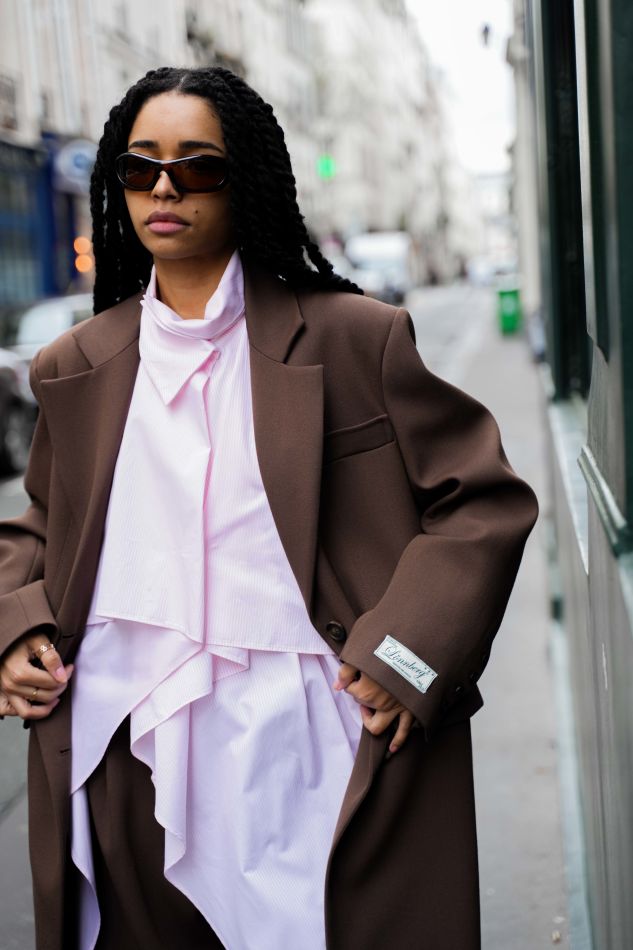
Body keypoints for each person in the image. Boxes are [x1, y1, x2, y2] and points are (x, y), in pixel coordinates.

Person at [0, 66, 538, 950]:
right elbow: (40, 526)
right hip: (123, 746)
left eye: (195, 166)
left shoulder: (354, 337)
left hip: (315, 740)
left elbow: (479, 501)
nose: (163, 188)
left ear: (242, 179)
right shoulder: (76, 363)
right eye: (140, 168)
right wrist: (15, 627)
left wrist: (404, 655)